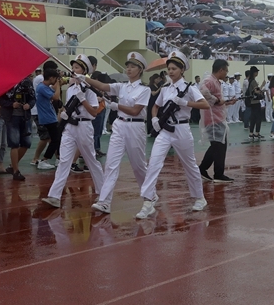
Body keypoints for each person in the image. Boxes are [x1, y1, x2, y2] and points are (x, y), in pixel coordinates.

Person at [136, 50, 209, 218]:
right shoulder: (166, 89)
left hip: (182, 129)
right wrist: (154, 119)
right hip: (165, 130)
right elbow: (155, 106)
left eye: (174, 68)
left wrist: (185, 102)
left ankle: (199, 197)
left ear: (182, 70)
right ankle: (148, 201)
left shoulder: (190, 88)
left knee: (189, 164)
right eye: (169, 68)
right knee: (154, 162)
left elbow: (205, 105)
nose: (170, 71)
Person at [88, 52, 151, 215]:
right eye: (128, 66)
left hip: (135, 128)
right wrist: (85, 78)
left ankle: (150, 195)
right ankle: (105, 201)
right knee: (111, 164)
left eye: (133, 66)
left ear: (140, 69)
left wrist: (117, 106)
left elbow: (136, 111)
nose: (129, 69)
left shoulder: (145, 90)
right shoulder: (121, 86)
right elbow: (102, 86)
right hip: (119, 126)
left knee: (138, 167)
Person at [42, 55, 104, 208]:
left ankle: (103, 192)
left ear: (84, 72)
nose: (74, 71)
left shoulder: (88, 91)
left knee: (91, 160)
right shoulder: (70, 89)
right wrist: (63, 113)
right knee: (64, 160)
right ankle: (54, 196)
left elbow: (94, 112)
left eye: (77, 68)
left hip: (84, 126)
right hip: (70, 127)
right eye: (73, 68)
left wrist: (83, 99)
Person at [198, 59, 237, 183]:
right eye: (226, 70)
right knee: (218, 146)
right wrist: (216, 100)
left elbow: (218, 102)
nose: (227, 73)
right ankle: (215, 173)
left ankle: (207, 170)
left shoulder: (216, 82)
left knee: (218, 146)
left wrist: (227, 102)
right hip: (213, 119)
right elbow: (203, 92)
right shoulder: (209, 81)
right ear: (221, 70)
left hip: (218, 117)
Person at [0, 75, 36, 181]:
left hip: (25, 116)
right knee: (14, 143)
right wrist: (11, 104)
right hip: (11, 117)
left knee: (26, 143)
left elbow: (33, 98)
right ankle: (16, 171)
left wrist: (29, 105)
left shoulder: (27, 82)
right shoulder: (6, 81)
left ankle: (12, 166)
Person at [34, 69, 62, 170]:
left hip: (50, 116)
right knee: (55, 139)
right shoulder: (41, 87)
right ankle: (44, 159)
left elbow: (53, 92)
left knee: (55, 139)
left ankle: (58, 158)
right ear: (51, 78)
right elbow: (56, 97)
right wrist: (58, 84)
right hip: (48, 117)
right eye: (55, 78)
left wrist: (57, 84)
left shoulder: (44, 87)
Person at [245, 67, 264, 140]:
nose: (257, 73)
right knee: (258, 117)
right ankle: (257, 133)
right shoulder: (254, 81)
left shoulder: (249, 81)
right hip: (256, 101)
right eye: (256, 72)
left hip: (251, 101)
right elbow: (256, 91)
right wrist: (262, 88)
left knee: (253, 117)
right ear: (254, 73)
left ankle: (251, 133)